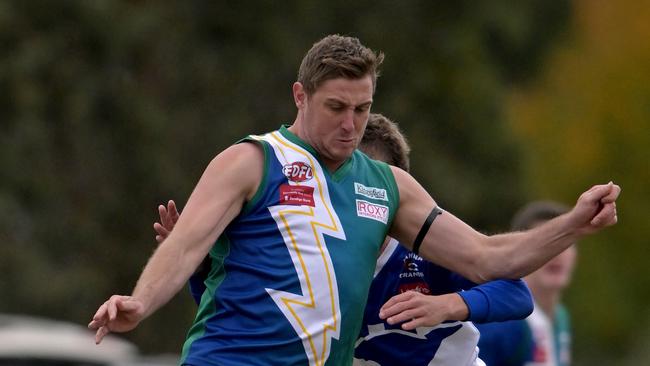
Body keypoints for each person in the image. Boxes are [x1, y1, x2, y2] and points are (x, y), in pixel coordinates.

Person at [88, 34, 620, 366]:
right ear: (300, 96)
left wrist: (573, 224)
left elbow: (487, 259)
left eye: (362, 109)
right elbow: (183, 248)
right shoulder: (251, 161)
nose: (350, 125)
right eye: (335, 107)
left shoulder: (388, 185)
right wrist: (141, 300)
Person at [153, 113, 535, 365]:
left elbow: (517, 292)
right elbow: (244, 310)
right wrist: (198, 262)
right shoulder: (310, 256)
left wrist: (449, 305)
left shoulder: (428, 251)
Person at [477, 202, 577, 366]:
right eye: (547, 245)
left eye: (565, 243)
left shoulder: (561, 316)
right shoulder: (502, 319)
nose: (557, 253)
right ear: (520, 251)